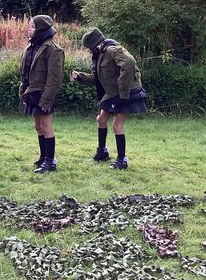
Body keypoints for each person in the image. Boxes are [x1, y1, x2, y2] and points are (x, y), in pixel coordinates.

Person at [70, 28, 147, 169]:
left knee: (117, 124)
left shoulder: (112, 50)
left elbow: (129, 64)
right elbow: (98, 78)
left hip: (127, 92)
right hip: (112, 94)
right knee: (101, 119)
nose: (88, 51)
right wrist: (80, 76)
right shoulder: (100, 55)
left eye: (88, 48)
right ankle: (102, 152)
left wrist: (123, 89)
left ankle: (122, 160)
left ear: (94, 45)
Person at [19, 15, 65, 174]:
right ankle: (43, 156)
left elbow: (55, 79)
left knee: (46, 127)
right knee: (38, 127)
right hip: (31, 93)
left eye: (32, 27)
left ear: (40, 29)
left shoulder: (53, 49)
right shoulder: (31, 47)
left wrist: (46, 100)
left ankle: (50, 162)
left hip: (44, 94)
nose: (29, 29)